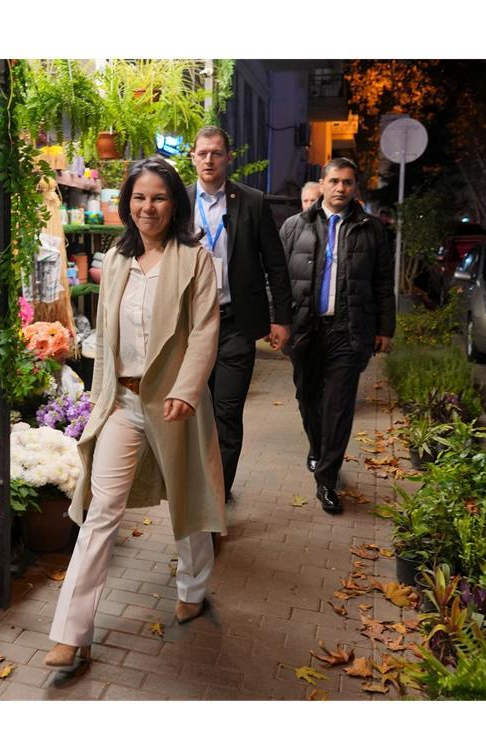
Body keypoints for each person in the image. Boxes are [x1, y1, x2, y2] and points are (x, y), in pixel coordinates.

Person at [45, 157, 225, 667]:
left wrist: (188, 389)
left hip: (176, 404)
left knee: (188, 504)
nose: (148, 207)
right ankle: (71, 631)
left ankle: (193, 587)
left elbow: (206, 330)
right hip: (123, 402)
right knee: (102, 511)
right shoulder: (117, 260)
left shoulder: (195, 259)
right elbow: (108, 335)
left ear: (175, 203)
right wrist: (98, 397)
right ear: (128, 203)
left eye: (159, 198)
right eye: (140, 197)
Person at [279, 157, 395, 515]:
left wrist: (385, 329)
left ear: (355, 187)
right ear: (323, 183)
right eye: (334, 181)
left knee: (339, 407)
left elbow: (382, 283)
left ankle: (327, 480)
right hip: (305, 330)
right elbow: (278, 279)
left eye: (348, 182)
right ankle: (317, 447)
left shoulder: (372, 230)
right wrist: (277, 322)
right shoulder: (295, 226)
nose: (341, 188)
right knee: (307, 398)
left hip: (349, 330)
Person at [188, 125, 293, 501]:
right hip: (190, 328)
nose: (209, 160)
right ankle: (195, 485)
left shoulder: (252, 201)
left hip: (235, 324)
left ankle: (217, 494)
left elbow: (275, 265)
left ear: (229, 157)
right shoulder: (179, 202)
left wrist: (281, 319)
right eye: (203, 153)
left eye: (216, 153)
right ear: (193, 157)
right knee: (193, 412)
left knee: (227, 413)